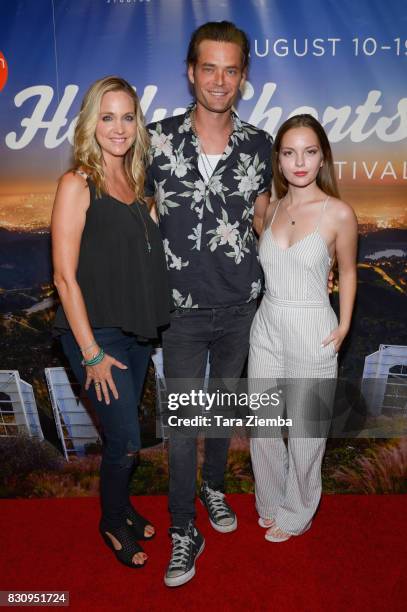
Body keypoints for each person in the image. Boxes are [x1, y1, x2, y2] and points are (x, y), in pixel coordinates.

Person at [145, 21, 273, 586]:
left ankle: (215, 488)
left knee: (221, 410)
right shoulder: (155, 139)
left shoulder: (259, 144)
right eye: (208, 68)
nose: (219, 80)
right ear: (190, 72)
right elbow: (136, 217)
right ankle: (181, 528)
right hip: (178, 313)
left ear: (243, 77)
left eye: (231, 69)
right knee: (180, 424)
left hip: (239, 308)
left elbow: (265, 221)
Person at [52, 76, 170, 568]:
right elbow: (63, 276)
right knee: (123, 440)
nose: (118, 128)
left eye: (126, 117)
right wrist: (91, 352)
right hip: (96, 333)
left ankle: (122, 506)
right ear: (90, 123)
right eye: (107, 117)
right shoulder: (78, 182)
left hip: (137, 331)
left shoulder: (140, 183)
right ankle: (110, 521)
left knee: (129, 439)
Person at [249, 114, 358, 542]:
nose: (300, 162)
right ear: (278, 159)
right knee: (263, 424)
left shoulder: (338, 213)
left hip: (312, 324)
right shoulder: (270, 207)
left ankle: (299, 509)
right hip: (267, 323)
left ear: (322, 158)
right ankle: (271, 500)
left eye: (310, 152)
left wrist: (345, 324)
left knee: (306, 430)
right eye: (290, 152)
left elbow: (347, 272)